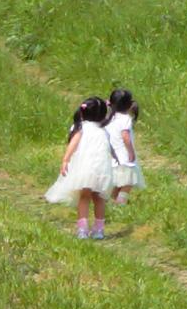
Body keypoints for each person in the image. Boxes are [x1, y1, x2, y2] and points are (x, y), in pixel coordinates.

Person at [44, 96, 115, 239]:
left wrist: (65, 160)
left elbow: (73, 144)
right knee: (99, 198)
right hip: (101, 170)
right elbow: (110, 148)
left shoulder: (81, 128)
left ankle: (83, 230)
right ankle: (98, 230)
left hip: (85, 169)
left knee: (84, 197)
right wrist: (116, 160)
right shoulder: (103, 131)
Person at [101, 87, 145, 206]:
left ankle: (113, 199)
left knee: (119, 181)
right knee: (128, 181)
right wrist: (130, 151)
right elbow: (125, 136)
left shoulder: (110, 118)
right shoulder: (125, 119)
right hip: (124, 155)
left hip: (113, 155)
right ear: (129, 105)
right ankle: (121, 201)